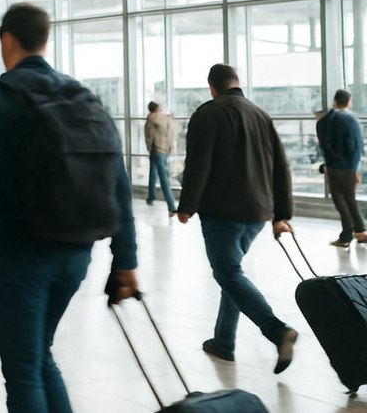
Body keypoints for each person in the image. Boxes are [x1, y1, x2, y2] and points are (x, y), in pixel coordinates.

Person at [0, 4, 139, 412]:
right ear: (44, 40)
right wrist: (126, 259)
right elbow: (119, 181)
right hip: (76, 254)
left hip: (17, 254)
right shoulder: (82, 96)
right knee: (39, 356)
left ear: (6, 40)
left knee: (23, 371)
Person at [176, 63, 298, 372]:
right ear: (236, 83)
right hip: (258, 211)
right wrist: (282, 214)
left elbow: (197, 164)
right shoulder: (260, 114)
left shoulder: (207, 113)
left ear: (211, 86)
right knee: (232, 273)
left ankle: (277, 331)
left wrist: (186, 205)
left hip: (222, 211)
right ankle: (224, 342)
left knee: (228, 272)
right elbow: (280, 166)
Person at [317, 90, 366, 247]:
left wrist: (329, 164)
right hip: (351, 166)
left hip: (338, 167)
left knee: (340, 200)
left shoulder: (333, 119)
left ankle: (347, 235)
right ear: (349, 101)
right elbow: (356, 146)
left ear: (334, 101)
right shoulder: (353, 119)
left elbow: (327, 144)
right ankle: (360, 231)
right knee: (349, 199)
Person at [144, 101, 177, 214]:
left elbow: (149, 135)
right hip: (166, 149)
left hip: (156, 149)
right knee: (156, 174)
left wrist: (148, 146)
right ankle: (151, 197)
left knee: (162, 177)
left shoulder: (151, 119)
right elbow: (172, 134)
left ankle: (171, 206)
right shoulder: (168, 119)